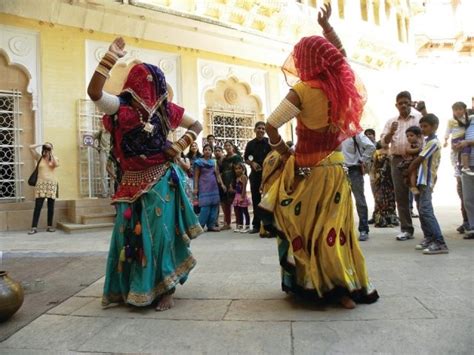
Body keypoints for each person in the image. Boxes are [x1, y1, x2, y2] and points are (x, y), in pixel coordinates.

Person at [260, 4, 378, 309]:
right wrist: (328, 28)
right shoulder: (340, 84)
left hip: (307, 169)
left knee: (304, 228)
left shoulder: (302, 90)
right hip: (337, 169)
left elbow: (272, 124)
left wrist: (284, 151)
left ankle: (312, 283)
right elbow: (340, 57)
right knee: (336, 231)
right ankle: (341, 287)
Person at [87, 37, 203, 311]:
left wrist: (179, 145)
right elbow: (94, 93)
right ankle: (130, 288)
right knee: (125, 235)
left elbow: (196, 124)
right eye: (143, 83)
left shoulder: (166, 110)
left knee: (159, 235)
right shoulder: (121, 108)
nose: (148, 89)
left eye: (152, 83)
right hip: (129, 182)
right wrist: (109, 58)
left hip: (161, 177)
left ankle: (167, 289)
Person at [381, 91, 422, 241]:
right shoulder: (391, 121)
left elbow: (427, 133)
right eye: (400, 103)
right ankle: (406, 229)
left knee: (419, 193)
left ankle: (428, 229)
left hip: (416, 160)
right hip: (397, 161)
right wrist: (391, 133)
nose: (403, 105)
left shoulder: (418, 118)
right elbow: (384, 143)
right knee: (401, 195)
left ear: (411, 102)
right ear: (396, 105)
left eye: (406, 102)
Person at [407, 114, 448, 254]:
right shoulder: (427, 141)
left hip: (426, 181)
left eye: (425, 126)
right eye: (421, 126)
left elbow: (419, 159)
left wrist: (408, 171)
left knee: (426, 211)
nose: (423, 129)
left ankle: (439, 241)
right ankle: (429, 237)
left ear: (434, 127)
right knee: (421, 210)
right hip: (420, 181)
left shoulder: (433, 143)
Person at [341, 132, 375, 241]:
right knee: (340, 202)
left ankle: (363, 229)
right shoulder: (332, 133)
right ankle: (343, 230)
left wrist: (362, 160)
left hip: (354, 170)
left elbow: (371, 146)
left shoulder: (354, 134)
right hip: (338, 170)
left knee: (359, 200)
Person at [444, 102, 472, 233]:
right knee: (465, 196)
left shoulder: (469, 119)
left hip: (468, 162)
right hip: (462, 164)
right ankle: (468, 223)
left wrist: (467, 142)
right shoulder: (465, 121)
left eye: (461, 109)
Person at [244, 121, 271, 234]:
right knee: (256, 200)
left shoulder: (269, 143)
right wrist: (252, 163)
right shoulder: (250, 144)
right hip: (255, 175)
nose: (261, 130)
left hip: (268, 175)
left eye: (263, 129)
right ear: (255, 130)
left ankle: (268, 226)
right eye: (259, 128)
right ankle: (256, 225)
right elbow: (246, 158)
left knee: (268, 199)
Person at [28, 142, 59, 234]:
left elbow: (55, 165)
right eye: (46, 148)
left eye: (49, 148)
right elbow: (30, 147)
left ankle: (49, 226)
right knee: (38, 206)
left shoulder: (55, 158)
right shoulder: (39, 158)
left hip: (52, 185)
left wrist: (50, 153)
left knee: (51, 207)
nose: (47, 149)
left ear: (52, 149)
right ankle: (34, 227)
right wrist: (42, 144)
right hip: (40, 185)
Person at [194, 144, 226, 232]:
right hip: (203, 185)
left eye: (209, 150)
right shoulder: (198, 162)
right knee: (205, 206)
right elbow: (196, 176)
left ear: (211, 152)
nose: (207, 151)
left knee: (215, 205)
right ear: (203, 151)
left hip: (213, 185)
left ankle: (211, 226)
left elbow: (217, 174)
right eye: (205, 149)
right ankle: (200, 226)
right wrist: (196, 188)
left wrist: (222, 184)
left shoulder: (214, 162)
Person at [371, 141, 399, 227]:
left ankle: (391, 219)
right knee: (380, 198)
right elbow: (374, 165)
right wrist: (373, 177)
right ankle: (380, 219)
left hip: (390, 178)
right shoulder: (376, 152)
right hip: (380, 178)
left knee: (391, 198)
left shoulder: (392, 151)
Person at [455, 115, 474, 239]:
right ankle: (472, 227)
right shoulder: (469, 119)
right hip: (467, 165)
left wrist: (467, 142)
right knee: (468, 199)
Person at [220, 141, 243, 230]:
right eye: (225, 146)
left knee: (236, 203)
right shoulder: (224, 158)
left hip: (233, 181)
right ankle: (227, 223)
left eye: (229, 145)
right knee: (226, 203)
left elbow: (239, 170)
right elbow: (221, 170)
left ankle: (239, 223)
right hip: (225, 181)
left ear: (232, 147)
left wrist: (233, 184)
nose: (227, 147)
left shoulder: (237, 157)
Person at [398, 126, 423, 195]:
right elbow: (408, 150)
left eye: (411, 135)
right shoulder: (411, 145)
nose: (409, 137)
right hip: (412, 162)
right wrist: (418, 149)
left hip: (420, 162)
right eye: (407, 136)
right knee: (413, 172)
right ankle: (413, 186)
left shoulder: (421, 144)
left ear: (418, 135)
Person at [93, 123, 113, 197]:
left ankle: (112, 193)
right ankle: (104, 193)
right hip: (103, 152)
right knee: (103, 173)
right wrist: (96, 147)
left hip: (111, 153)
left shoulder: (113, 133)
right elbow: (91, 138)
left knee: (113, 173)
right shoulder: (101, 132)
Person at [232, 162, 251, 233]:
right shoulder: (237, 178)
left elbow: (244, 188)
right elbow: (237, 188)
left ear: (243, 169)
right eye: (236, 169)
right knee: (238, 211)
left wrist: (242, 197)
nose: (237, 170)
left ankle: (247, 226)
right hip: (237, 196)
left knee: (245, 211)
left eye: (239, 168)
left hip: (242, 196)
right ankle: (240, 225)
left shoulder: (244, 177)